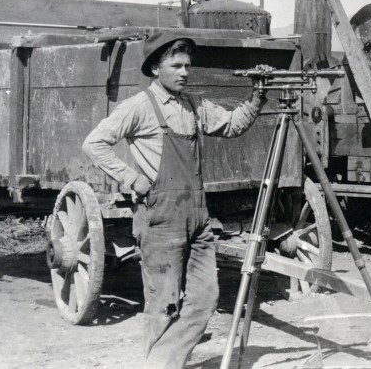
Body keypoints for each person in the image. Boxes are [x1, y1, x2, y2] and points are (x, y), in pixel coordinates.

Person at [82, 32, 269, 368]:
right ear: (156, 68)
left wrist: (257, 95)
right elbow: (95, 143)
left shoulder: (194, 105)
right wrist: (134, 179)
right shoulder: (140, 106)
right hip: (161, 218)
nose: (185, 72)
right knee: (163, 304)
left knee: (206, 298)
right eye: (176, 65)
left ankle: (164, 362)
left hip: (198, 216)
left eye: (187, 66)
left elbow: (232, 125)